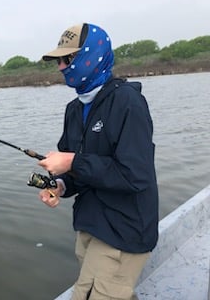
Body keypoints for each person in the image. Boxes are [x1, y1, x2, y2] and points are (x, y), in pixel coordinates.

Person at [38, 23, 159, 300]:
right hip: (90, 225)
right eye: (58, 61)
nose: (61, 67)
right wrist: (60, 185)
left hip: (124, 229)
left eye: (67, 59)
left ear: (92, 56)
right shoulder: (73, 109)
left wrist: (72, 162)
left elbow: (134, 175)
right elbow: (76, 169)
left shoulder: (128, 102)